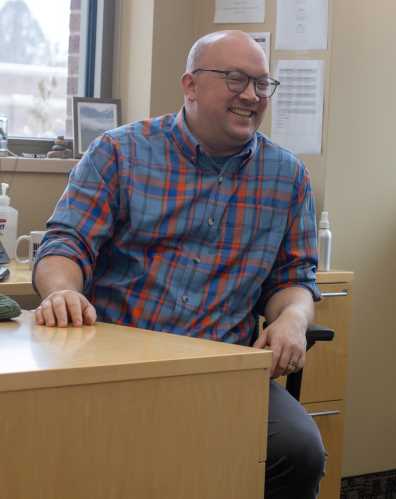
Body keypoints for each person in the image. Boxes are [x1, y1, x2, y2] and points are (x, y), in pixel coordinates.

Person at [33, 30, 325, 499]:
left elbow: (294, 277)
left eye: (261, 84)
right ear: (190, 85)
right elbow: (67, 243)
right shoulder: (120, 152)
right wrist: (62, 291)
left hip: (222, 368)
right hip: (118, 364)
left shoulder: (287, 177)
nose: (251, 96)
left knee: (300, 450)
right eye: (236, 79)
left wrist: (292, 319)